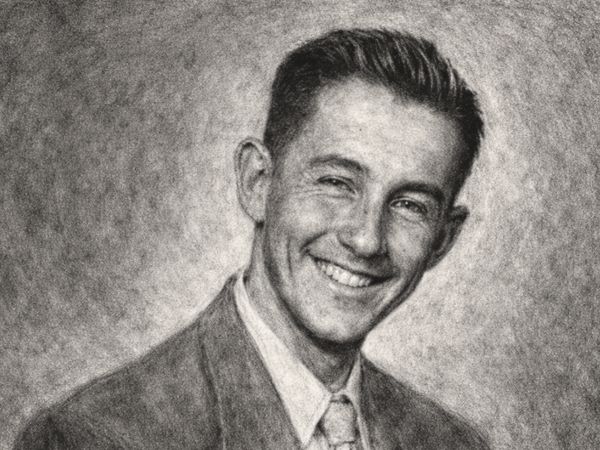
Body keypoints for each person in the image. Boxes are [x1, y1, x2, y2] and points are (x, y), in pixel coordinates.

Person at [15, 28, 488, 449]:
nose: (367, 240)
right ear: (257, 181)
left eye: (410, 205)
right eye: (336, 183)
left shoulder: (452, 443)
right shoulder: (92, 437)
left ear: (442, 239)